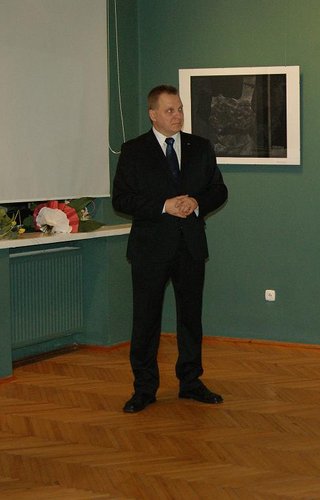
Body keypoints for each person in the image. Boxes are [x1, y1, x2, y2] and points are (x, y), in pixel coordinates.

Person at [113, 84, 228, 413]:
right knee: (145, 320)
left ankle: (190, 382)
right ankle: (144, 388)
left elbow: (219, 190)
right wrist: (164, 206)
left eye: (179, 109)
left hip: (190, 246)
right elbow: (122, 199)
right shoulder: (134, 151)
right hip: (150, 249)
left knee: (190, 319)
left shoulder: (200, 147)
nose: (177, 116)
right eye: (169, 110)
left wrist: (196, 203)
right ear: (153, 114)